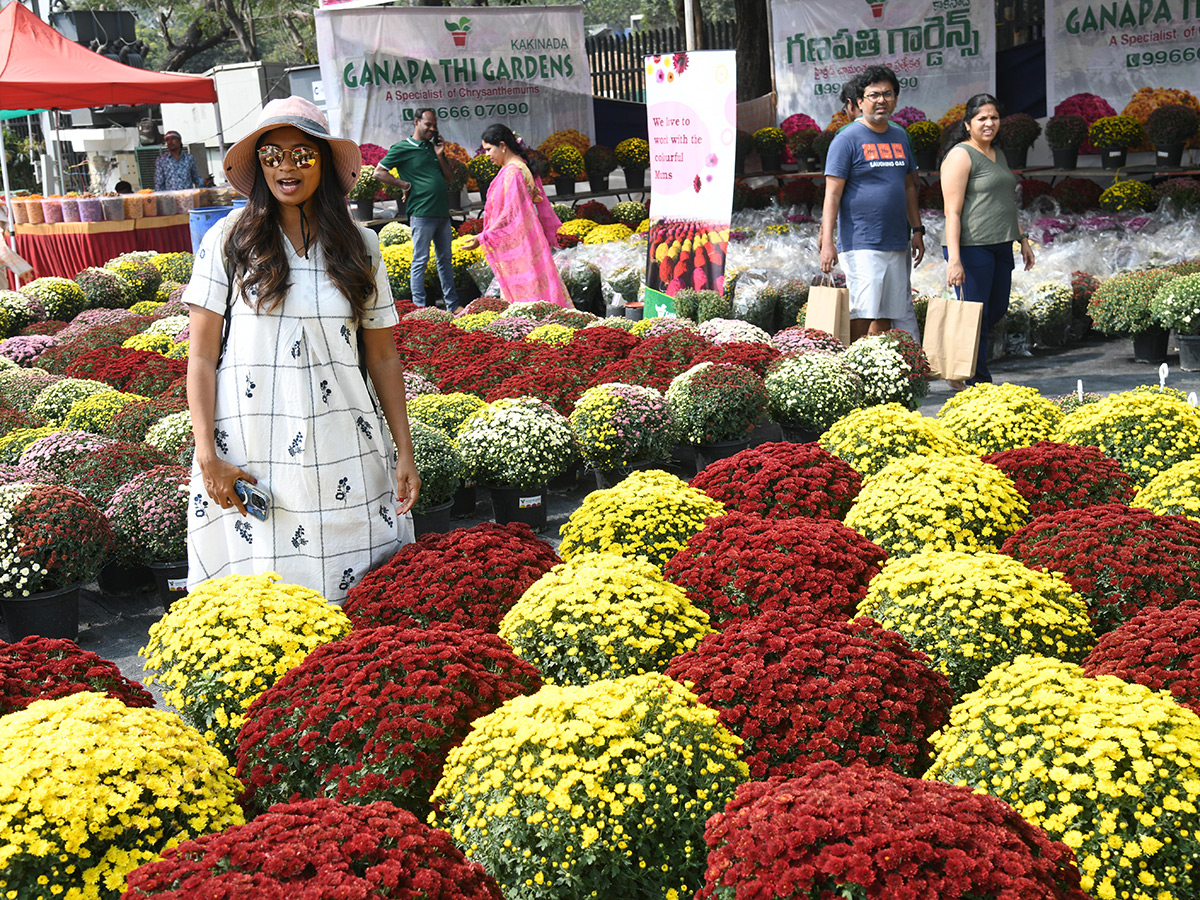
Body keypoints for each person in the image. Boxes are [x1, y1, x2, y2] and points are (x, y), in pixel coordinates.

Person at [184, 96, 420, 602]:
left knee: (354, 573)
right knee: (260, 585)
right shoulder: (229, 240)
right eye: (271, 155)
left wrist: (404, 447)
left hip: (344, 438)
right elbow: (201, 356)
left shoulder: (361, 246)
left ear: (326, 164)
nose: (286, 167)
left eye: (302, 154)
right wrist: (207, 452)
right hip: (250, 441)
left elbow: (382, 355)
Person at [819, 65, 925, 344]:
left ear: (896, 99)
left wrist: (917, 230)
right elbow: (832, 194)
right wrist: (827, 240)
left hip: (896, 240)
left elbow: (909, 186)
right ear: (861, 101)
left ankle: (887, 371)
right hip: (861, 242)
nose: (881, 100)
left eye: (887, 94)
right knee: (863, 312)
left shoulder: (901, 136)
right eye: (874, 94)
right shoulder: (846, 139)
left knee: (893, 310)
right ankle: (855, 367)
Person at [941, 93, 1035, 387]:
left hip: (1001, 243)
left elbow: (1005, 201)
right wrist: (954, 260)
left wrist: (1023, 239)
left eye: (994, 117)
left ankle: (962, 366)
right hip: (972, 247)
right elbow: (952, 212)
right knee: (974, 315)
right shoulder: (960, 155)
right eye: (982, 118)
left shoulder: (999, 153)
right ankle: (976, 378)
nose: (989, 123)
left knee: (996, 309)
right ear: (968, 124)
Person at [458, 123, 570, 308]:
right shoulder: (521, 166)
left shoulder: (513, 172)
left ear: (503, 145)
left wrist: (483, 237)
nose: (486, 155)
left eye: (488, 149)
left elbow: (510, 214)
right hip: (528, 240)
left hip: (520, 245)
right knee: (536, 293)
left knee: (526, 300)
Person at [373, 109, 460, 312]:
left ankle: (453, 305)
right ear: (416, 122)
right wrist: (403, 185)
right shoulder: (402, 147)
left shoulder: (433, 148)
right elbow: (379, 172)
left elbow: (450, 178)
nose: (432, 129)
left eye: (434, 126)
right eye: (428, 124)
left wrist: (440, 155)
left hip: (441, 213)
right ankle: (420, 308)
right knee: (420, 260)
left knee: (445, 260)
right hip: (421, 212)